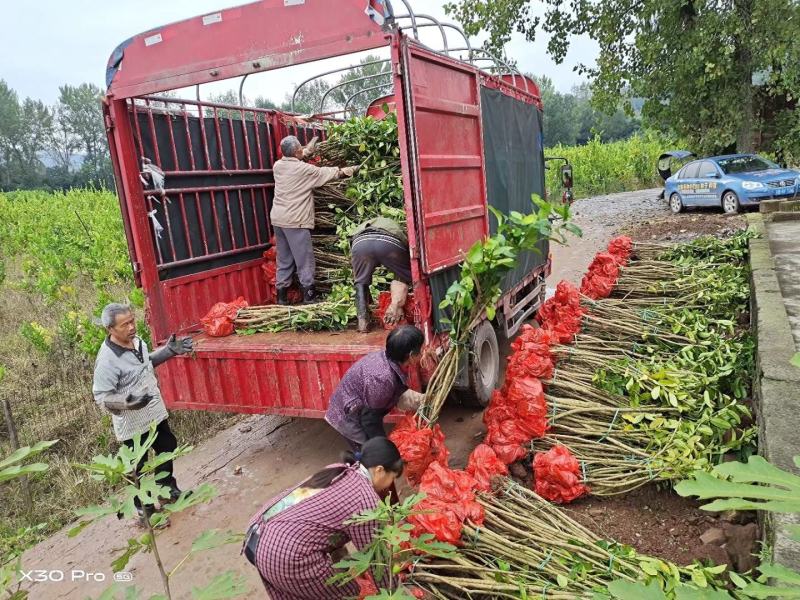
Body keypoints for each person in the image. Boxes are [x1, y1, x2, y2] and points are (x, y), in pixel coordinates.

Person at [244, 437, 404, 600]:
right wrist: (395, 594)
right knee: (347, 594)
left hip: (257, 534)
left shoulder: (340, 469)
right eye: (392, 478)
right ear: (379, 470)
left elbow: (327, 527)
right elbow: (377, 560)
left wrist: (344, 569)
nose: (389, 484)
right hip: (283, 553)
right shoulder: (366, 500)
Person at [92, 303, 193, 524]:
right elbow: (101, 397)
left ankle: (167, 491)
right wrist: (127, 403)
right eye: (124, 324)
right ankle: (144, 510)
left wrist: (169, 351)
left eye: (132, 321)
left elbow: (145, 363)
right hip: (132, 425)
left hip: (154, 413)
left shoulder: (137, 342)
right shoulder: (107, 361)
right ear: (110, 329)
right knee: (137, 467)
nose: (131, 327)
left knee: (167, 447)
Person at [270, 135, 357, 305]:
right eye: (300, 149)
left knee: (284, 259)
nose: (303, 150)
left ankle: (281, 298)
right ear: (296, 152)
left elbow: (299, 156)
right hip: (296, 221)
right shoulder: (304, 170)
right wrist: (354, 168)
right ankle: (309, 297)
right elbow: (331, 173)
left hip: (278, 220)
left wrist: (309, 147)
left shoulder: (278, 166)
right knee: (304, 260)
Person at [325, 325, 425, 449]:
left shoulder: (388, 357)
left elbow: (398, 388)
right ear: (410, 355)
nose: (421, 354)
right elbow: (370, 420)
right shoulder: (382, 378)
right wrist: (384, 449)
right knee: (370, 455)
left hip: (359, 405)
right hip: (348, 415)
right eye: (420, 351)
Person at [350, 216, 412, 333]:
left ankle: (362, 322)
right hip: (389, 243)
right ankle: (395, 306)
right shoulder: (394, 226)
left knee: (360, 282)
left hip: (360, 244)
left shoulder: (362, 227)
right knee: (402, 274)